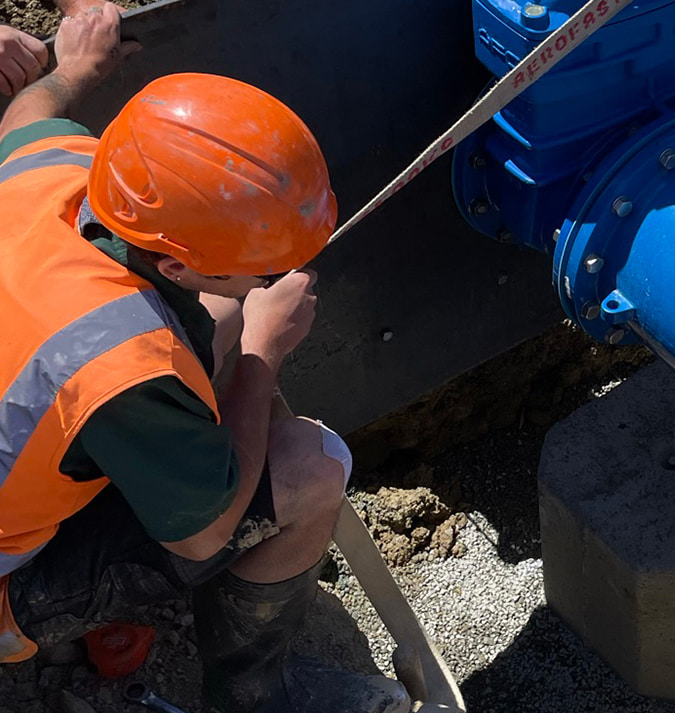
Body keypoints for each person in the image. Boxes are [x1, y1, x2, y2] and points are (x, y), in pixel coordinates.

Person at [0, 5, 408, 713]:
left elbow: (25, 112)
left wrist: (76, 69)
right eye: (262, 267)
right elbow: (203, 537)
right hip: (11, 575)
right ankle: (257, 695)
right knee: (312, 468)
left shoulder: (53, 169)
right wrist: (262, 354)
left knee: (221, 316)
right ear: (175, 264)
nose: (276, 275)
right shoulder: (118, 364)